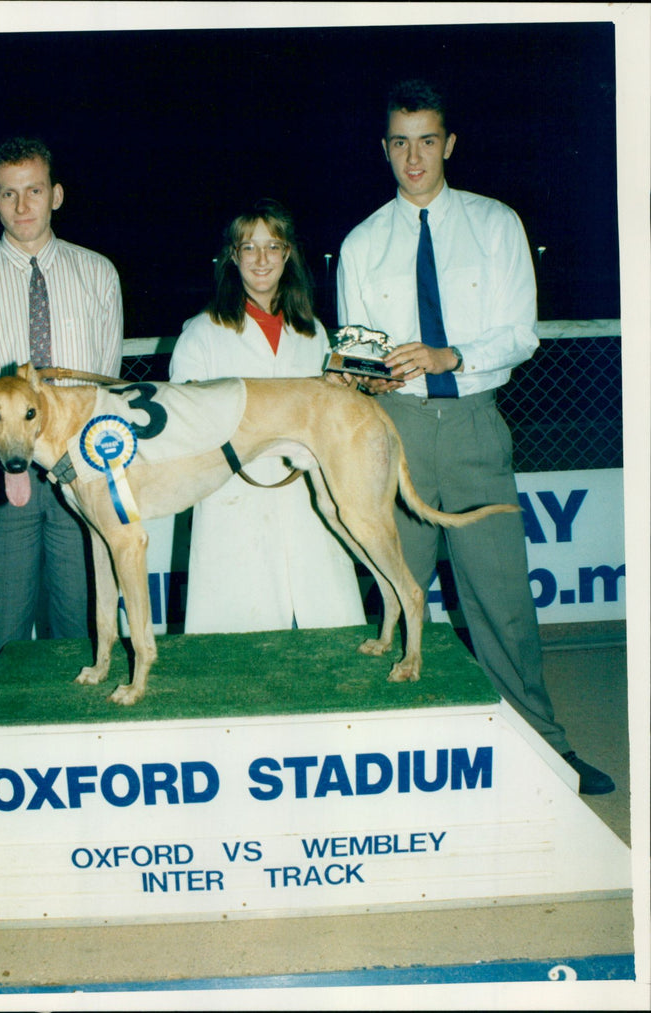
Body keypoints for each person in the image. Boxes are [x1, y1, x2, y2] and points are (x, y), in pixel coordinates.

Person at [336, 79, 614, 795]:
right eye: (400, 142)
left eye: (427, 140)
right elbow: (356, 352)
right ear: (385, 149)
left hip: (473, 428)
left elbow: (519, 333)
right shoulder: (362, 242)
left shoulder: (496, 225)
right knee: (395, 598)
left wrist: (447, 354)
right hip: (393, 435)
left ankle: (546, 750)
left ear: (449, 144)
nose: (413, 158)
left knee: (502, 600)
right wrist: (361, 374)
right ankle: (387, 756)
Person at [0, 136, 123, 677]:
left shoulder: (99, 275)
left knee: (85, 631)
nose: (22, 207)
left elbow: (101, 384)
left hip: (79, 473)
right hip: (2, 479)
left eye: (33, 191)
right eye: (8, 194)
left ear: (56, 194)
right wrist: (9, 453)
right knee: (0, 642)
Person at [170, 199, 365, 634]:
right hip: (233, 499)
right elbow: (185, 425)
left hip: (306, 495)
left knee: (326, 622)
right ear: (232, 257)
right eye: (249, 248)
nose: (262, 260)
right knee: (239, 635)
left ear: (288, 254)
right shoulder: (201, 334)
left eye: (273, 247)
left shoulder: (312, 331)